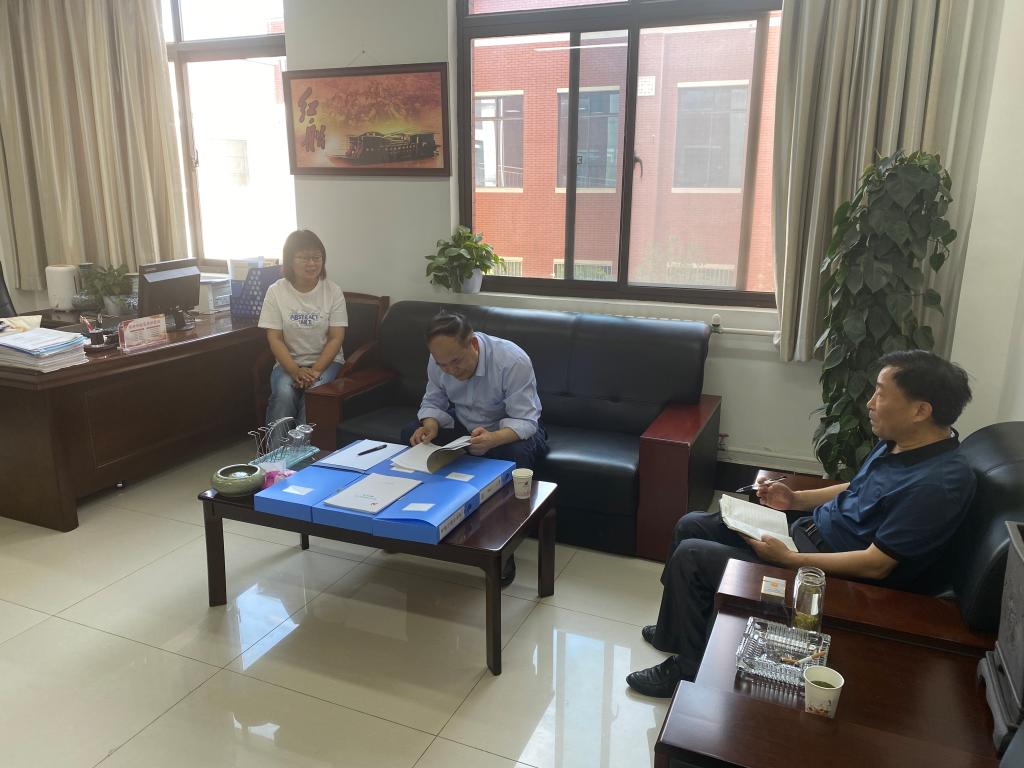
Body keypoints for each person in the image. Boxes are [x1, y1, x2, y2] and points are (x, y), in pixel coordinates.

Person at [626, 350, 975, 698]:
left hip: (826, 580)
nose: (870, 403)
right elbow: (856, 488)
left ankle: (688, 668)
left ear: (920, 411)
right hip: (805, 536)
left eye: (881, 394)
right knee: (691, 524)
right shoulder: (899, 443)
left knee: (692, 557)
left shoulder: (937, 485)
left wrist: (789, 560)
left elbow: (876, 564)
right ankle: (675, 631)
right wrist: (794, 500)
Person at [401, 310, 548, 585]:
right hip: (465, 422)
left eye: (456, 361)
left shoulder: (511, 360)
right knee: (412, 434)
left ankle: (503, 550)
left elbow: (526, 421)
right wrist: (430, 425)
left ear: (473, 343)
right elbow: (433, 401)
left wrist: (493, 438)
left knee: (513, 455)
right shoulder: (440, 359)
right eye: (442, 364)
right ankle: (419, 522)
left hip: (510, 428)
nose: (450, 370)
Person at [258, 230, 347, 437]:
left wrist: (315, 371)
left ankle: (303, 453)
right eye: (304, 258)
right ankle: (276, 454)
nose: (312, 264)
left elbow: (336, 338)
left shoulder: (333, 291)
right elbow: (274, 338)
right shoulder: (276, 291)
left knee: (314, 395)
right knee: (283, 394)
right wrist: (294, 370)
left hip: (327, 363)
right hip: (289, 363)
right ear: (290, 260)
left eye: (317, 257)